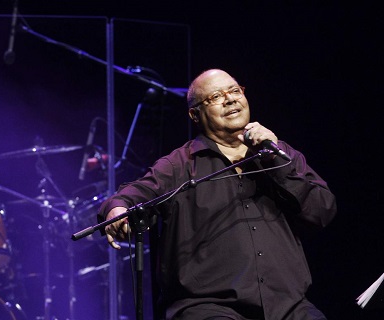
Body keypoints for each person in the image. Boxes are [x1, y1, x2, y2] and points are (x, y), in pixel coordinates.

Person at [97, 69, 337, 320]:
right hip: (208, 308)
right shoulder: (180, 165)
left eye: (235, 91)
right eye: (215, 97)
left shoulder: (279, 153)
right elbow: (132, 194)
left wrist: (276, 160)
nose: (231, 99)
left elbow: (322, 211)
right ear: (195, 115)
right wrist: (117, 209)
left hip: (288, 306)